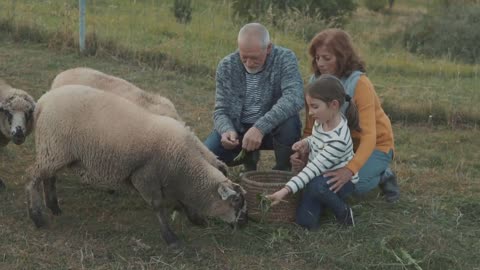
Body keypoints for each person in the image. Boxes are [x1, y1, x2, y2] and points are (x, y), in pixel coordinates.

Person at [293, 28, 399, 202]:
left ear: (342, 58)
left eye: (327, 58)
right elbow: (310, 127)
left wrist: (349, 170)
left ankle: (383, 173)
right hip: (339, 145)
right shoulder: (315, 82)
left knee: (353, 186)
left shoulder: (360, 83)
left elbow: (369, 136)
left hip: (374, 145)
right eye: (317, 58)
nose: (320, 63)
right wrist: (304, 150)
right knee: (319, 182)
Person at [204, 23, 304, 171]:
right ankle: (248, 156)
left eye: (255, 58)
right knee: (205, 157)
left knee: (290, 122)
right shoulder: (226, 66)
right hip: (239, 130)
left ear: (268, 48)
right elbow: (221, 110)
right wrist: (226, 130)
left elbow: (295, 97)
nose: (249, 63)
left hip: (272, 130)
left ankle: (283, 172)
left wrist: (260, 127)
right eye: (244, 57)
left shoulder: (285, 58)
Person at [266, 75, 359, 229]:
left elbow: (312, 169)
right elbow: (316, 139)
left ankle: (343, 211)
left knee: (316, 186)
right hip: (318, 176)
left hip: (339, 181)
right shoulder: (322, 121)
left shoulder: (338, 140)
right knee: (305, 222)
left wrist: (284, 191)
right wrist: (305, 142)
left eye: (315, 107)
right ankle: (323, 202)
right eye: (309, 107)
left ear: (334, 105)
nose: (310, 112)